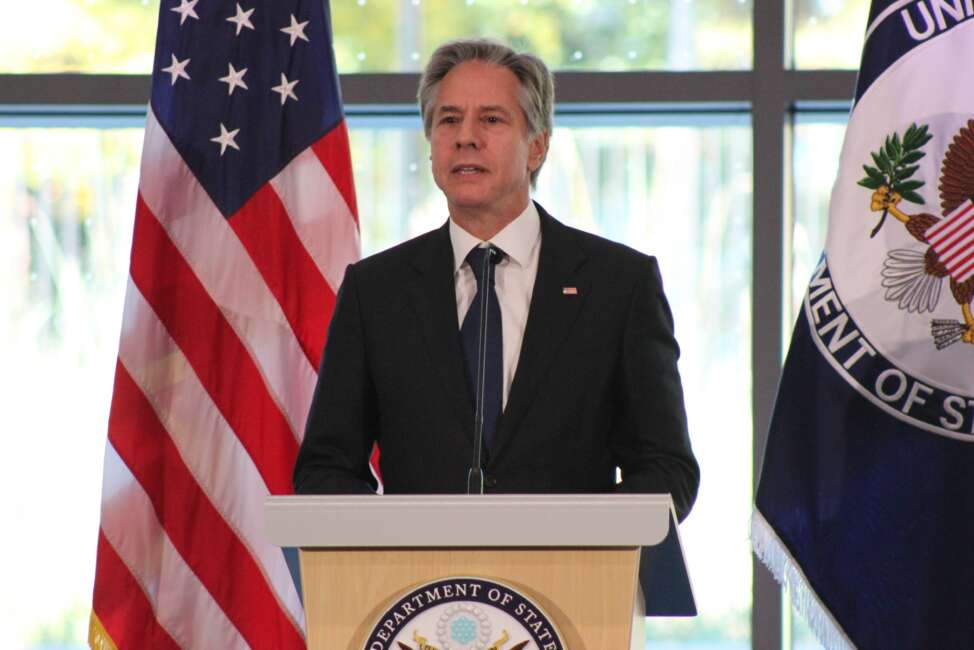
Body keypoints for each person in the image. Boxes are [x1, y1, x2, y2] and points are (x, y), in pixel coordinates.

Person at [293, 38, 700, 521]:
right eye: (448, 120)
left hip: (570, 587)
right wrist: (393, 537)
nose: (466, 137)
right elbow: (325, 468)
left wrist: (580, 538)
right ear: (430, 148)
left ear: (537, 146)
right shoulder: (375, 291)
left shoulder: (619, 285)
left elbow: (666, 468)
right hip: (420, 587)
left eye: (491, 119)